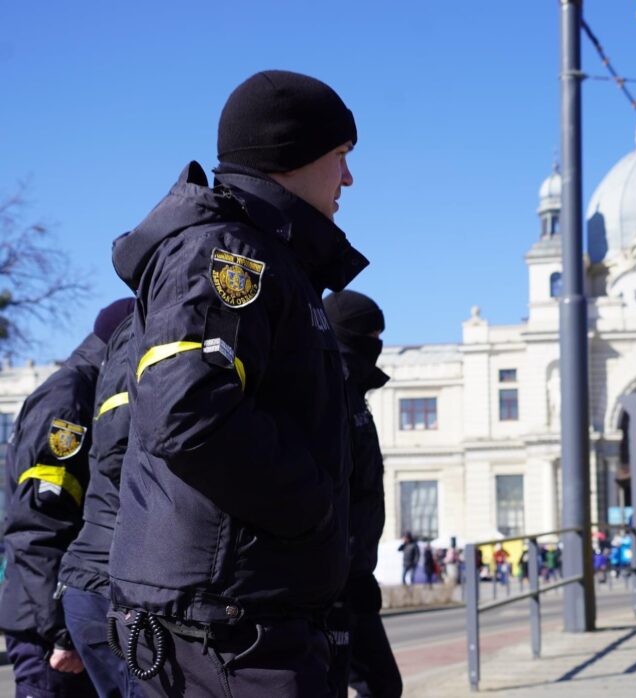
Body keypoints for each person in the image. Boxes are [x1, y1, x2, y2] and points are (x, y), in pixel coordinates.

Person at [107, 69, 366, 697]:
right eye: (340, 155)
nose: (348, 179)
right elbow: (188, 413)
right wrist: (313, 508)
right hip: (228, 631)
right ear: (291, 153)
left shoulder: (272, 256)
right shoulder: (229, 254)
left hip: (245, 617)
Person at [0, 301, 133, 698]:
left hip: (53, 616)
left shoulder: (81, 390)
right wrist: (60, 631)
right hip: (47, 629)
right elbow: (38, 525)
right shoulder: (70, 400)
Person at [323, 290, 402, 698]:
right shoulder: (330, 386)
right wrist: (341, 570)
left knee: (380, 684)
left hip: (352, 573)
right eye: (373, 335)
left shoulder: (353, 390)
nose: (379, 344)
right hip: (332, 577)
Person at [58, 305, 137, 698]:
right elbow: (44, 521)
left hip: (95, 579)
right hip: (103, 582)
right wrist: (51, 629)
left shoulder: (90, 384)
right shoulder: (69, 394)